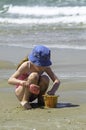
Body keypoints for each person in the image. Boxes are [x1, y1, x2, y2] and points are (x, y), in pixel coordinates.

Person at [8, 45, 60, 110]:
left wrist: (52, 91)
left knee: (45, 78)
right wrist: (22, 82)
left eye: (44, 65)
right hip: (21, 92)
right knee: (34, 75)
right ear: (33, 61)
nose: (42, 67)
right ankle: (25, 100)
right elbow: (10, 80)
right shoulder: (27, 65)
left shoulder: (45, 67)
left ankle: (41, 100)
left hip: (34, 93)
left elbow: (57, 81)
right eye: (39, 64)